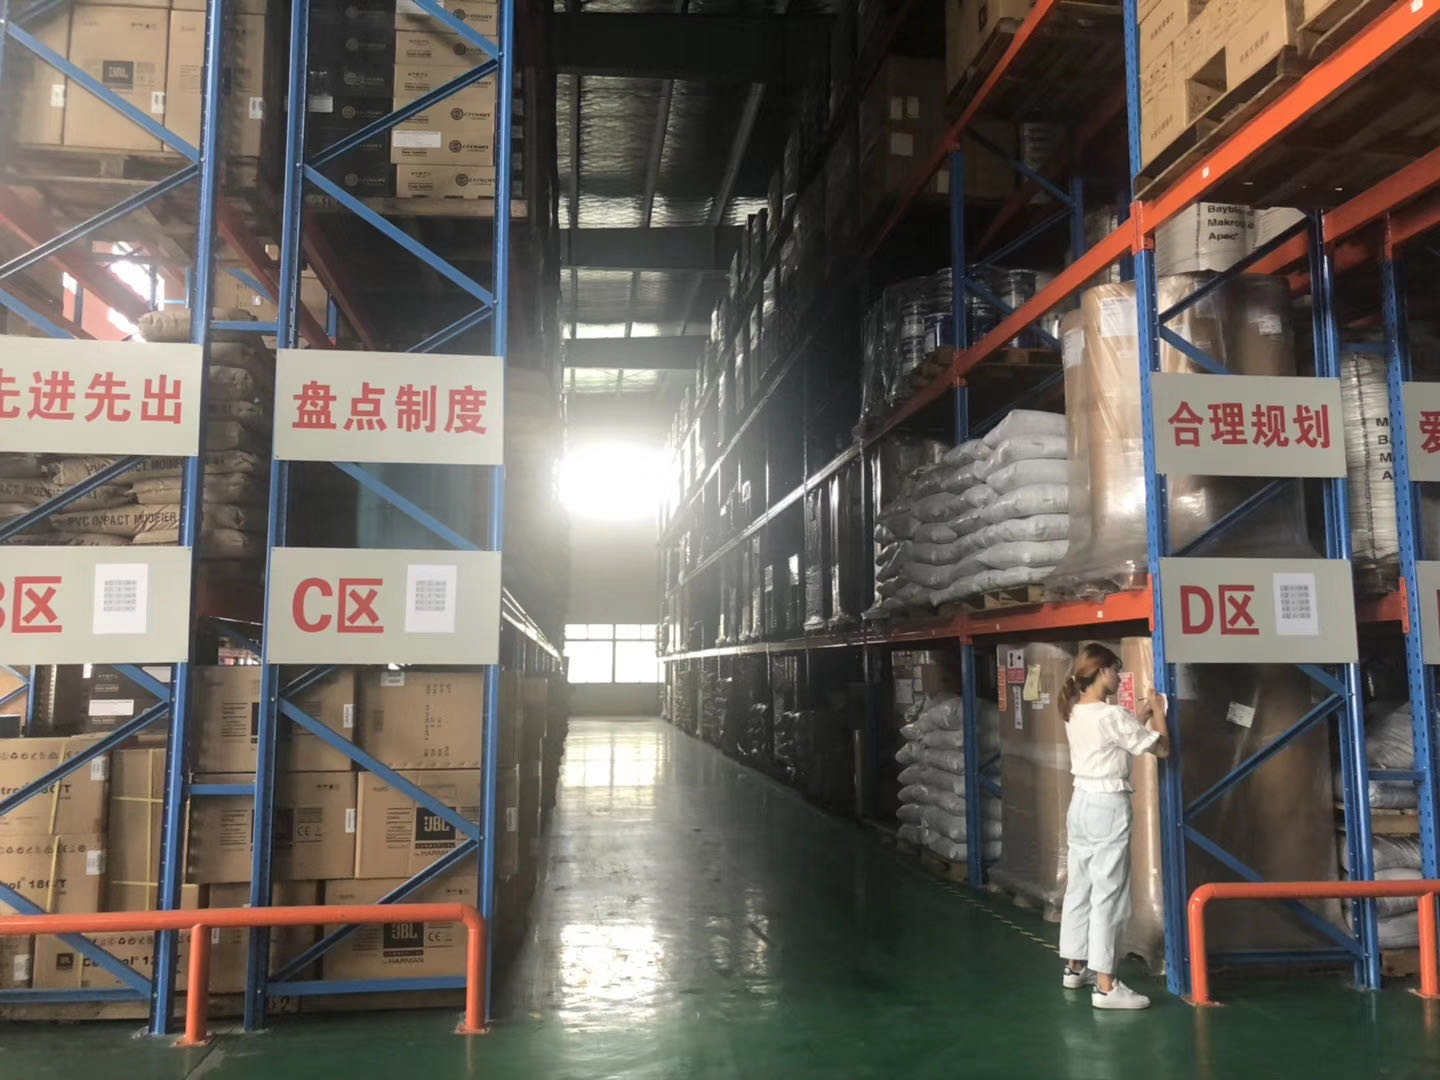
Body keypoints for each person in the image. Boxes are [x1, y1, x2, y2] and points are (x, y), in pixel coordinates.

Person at [1056, 642, 1170, 1011]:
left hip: (1081, 804)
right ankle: (1105, 986)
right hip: (1108, 807)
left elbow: (1114, 739)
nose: (1119, 677)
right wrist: (1158, 713)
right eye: (1116, 671)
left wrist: (1138, 717)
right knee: (1109, 895)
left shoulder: (1074, 710)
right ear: (1102, 672)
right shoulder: (1111, 715)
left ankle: (1075, 967)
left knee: (1080, 887)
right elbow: (1163, 749)